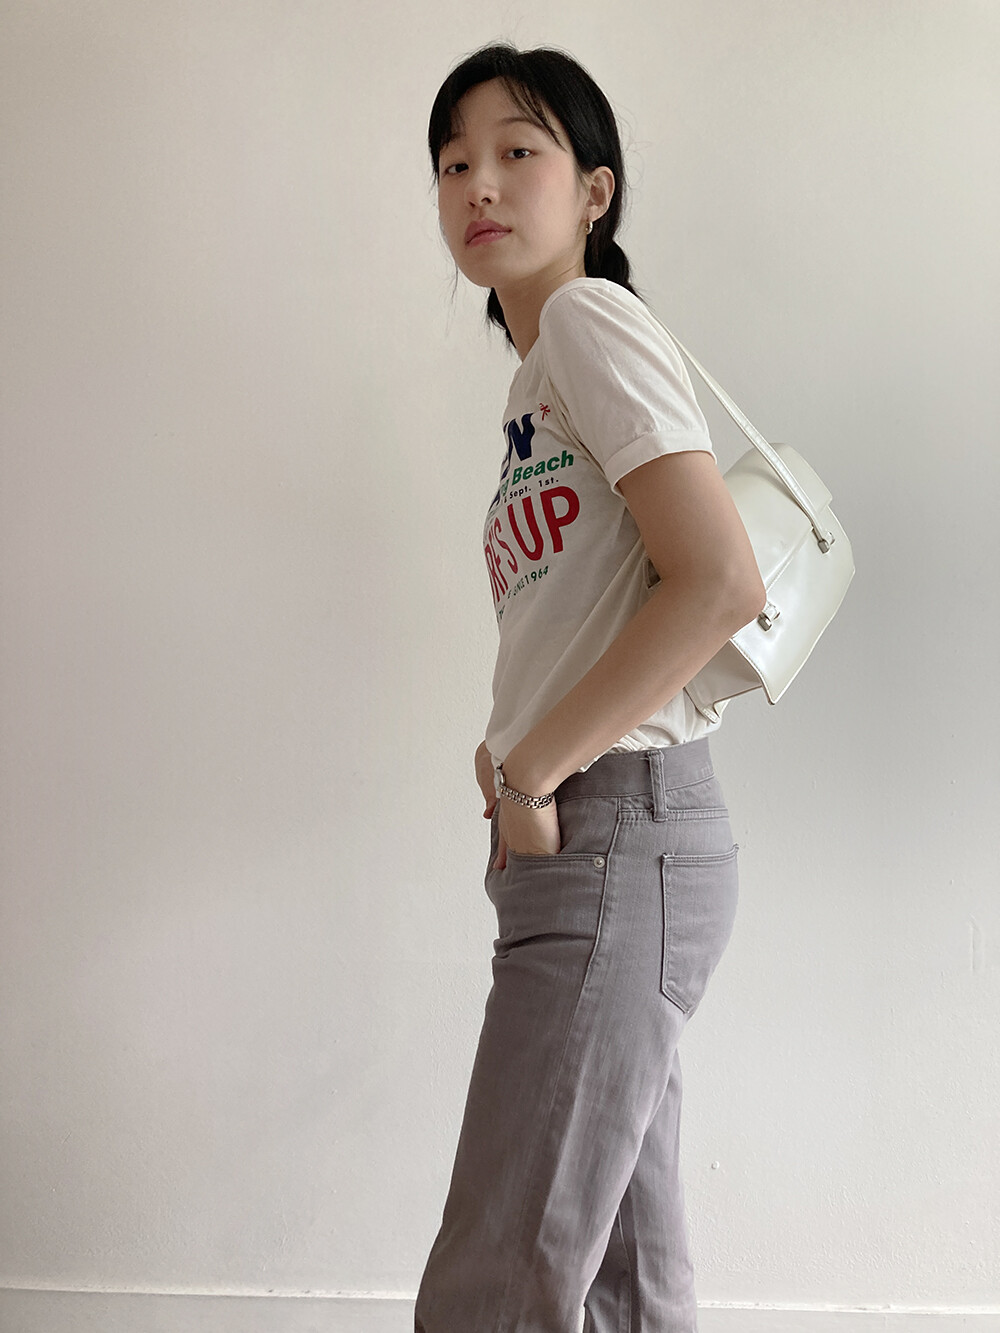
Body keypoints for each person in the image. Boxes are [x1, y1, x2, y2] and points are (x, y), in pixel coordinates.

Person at [414, 42, 766, 1333]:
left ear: (595, 190)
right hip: (595, 837)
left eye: (520, 151)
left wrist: (531, 770)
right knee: (620, 1276)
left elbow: (719, 580)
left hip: (618, 829)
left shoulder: (585, 320)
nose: (479, 184)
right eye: (453, 161)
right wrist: (511, 761)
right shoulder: (536, 381)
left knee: (495, 1284)